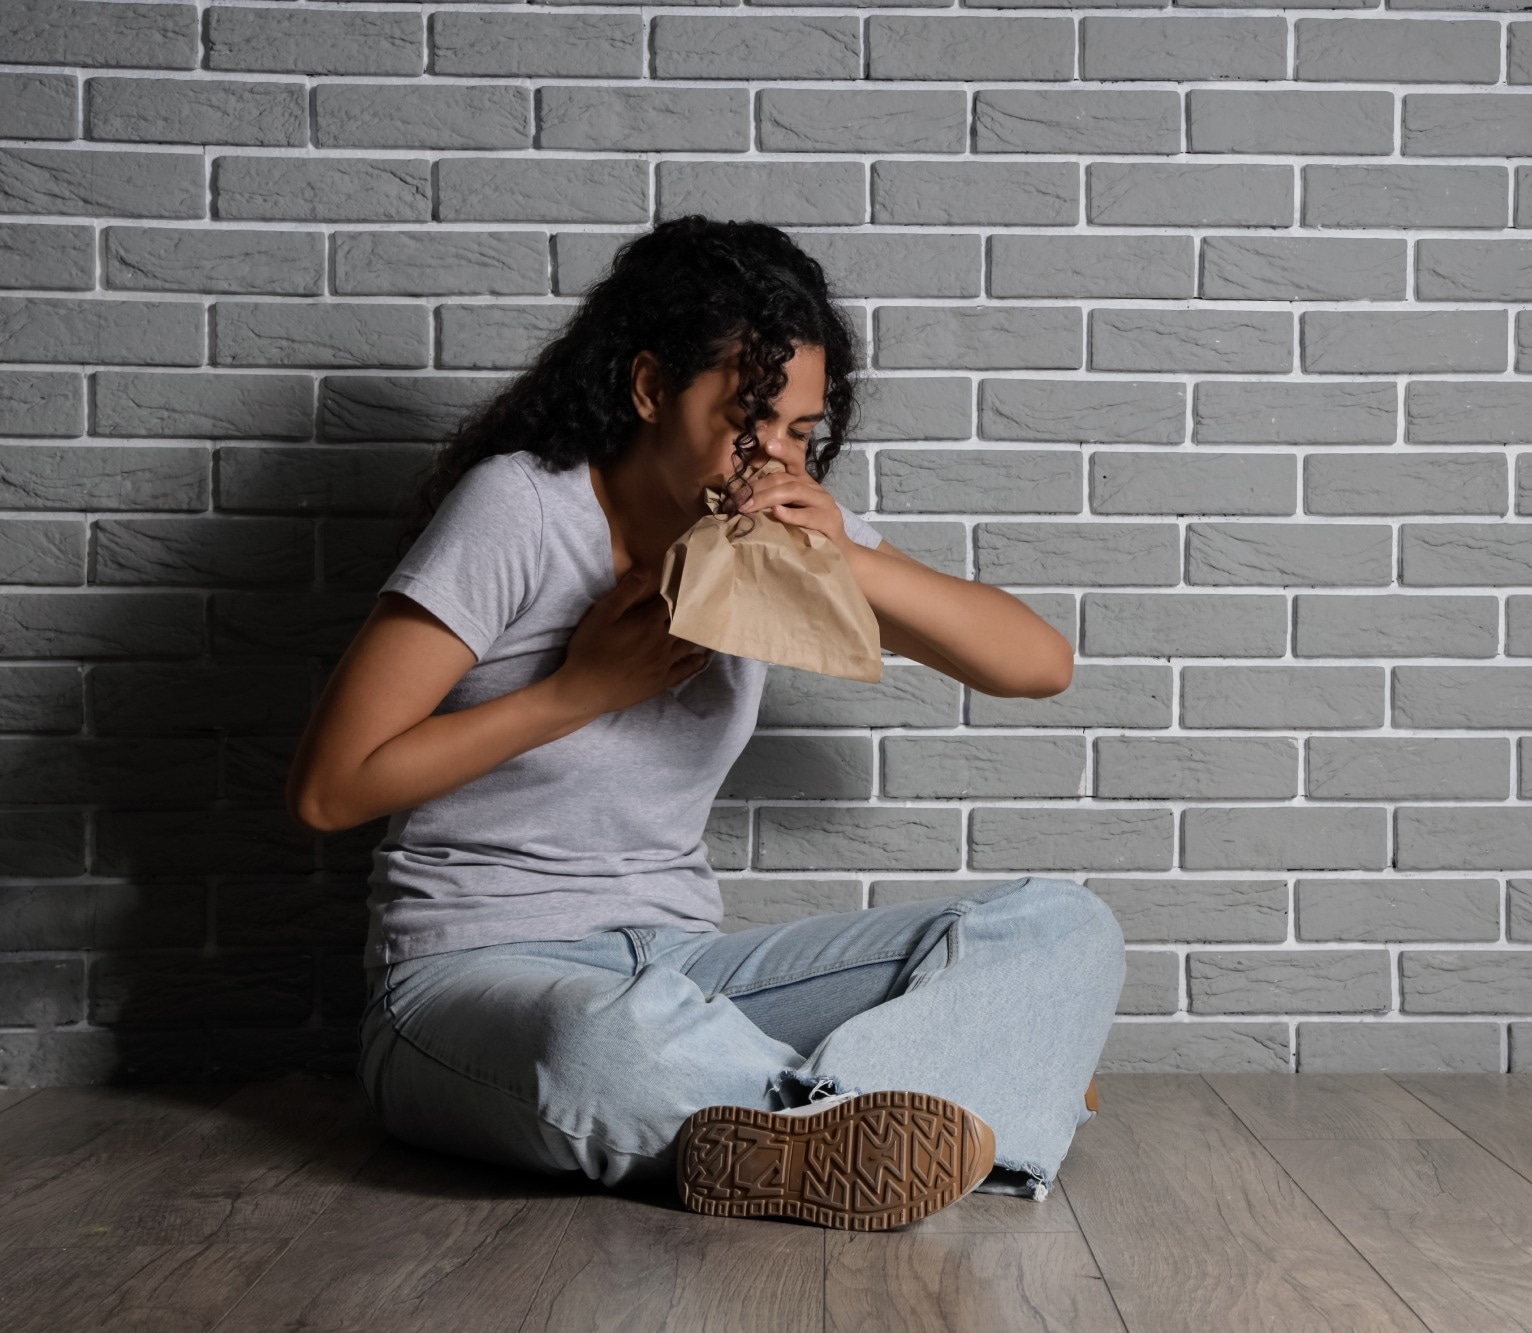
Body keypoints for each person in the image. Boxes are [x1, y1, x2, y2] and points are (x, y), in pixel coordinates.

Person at [284, 215, 1126, 1230]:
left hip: (684, 970)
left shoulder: (773, 531)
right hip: (470, 981)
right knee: (604, 1043)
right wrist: (578, 689)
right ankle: (962, 1100)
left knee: (1060, 928)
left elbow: (1036, 664)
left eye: (798, 433)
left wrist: (850, 560)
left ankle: (829, 1125)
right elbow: (331, 787)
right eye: (748, 421)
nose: (770, 458)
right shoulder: (521, 507)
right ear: (649, 389)